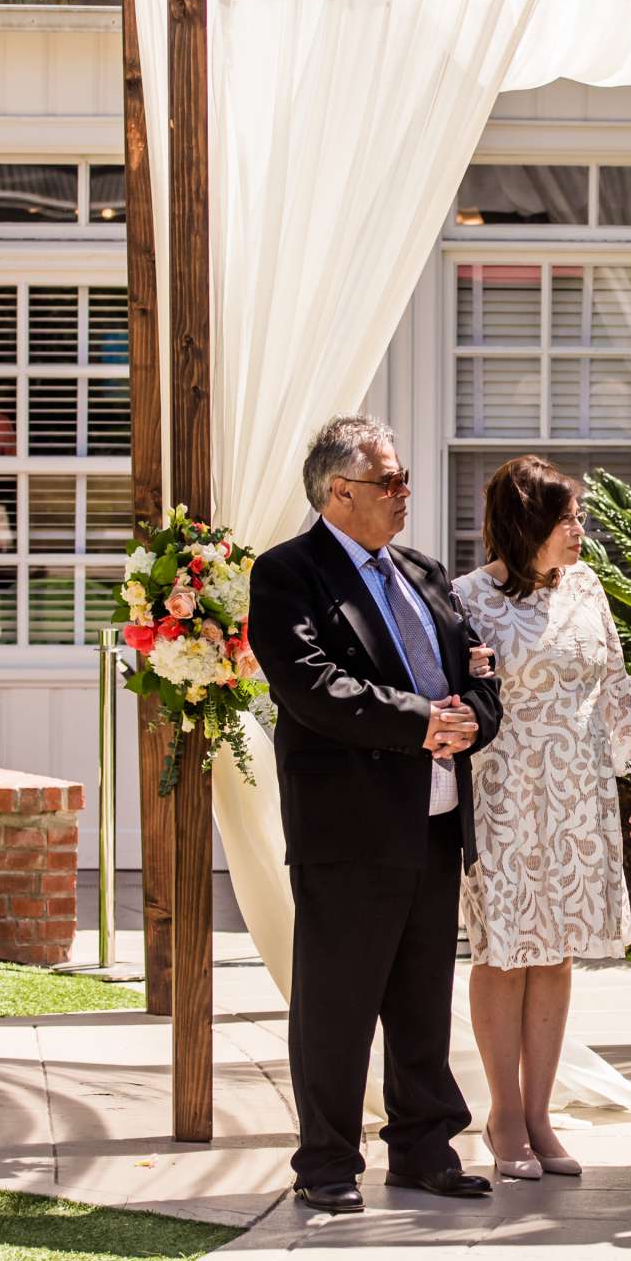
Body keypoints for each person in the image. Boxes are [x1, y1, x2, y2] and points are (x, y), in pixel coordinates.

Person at [245, 414, 502, 1215]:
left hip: (433, 818)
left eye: (402, 478)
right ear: (339, 490)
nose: (404, 493)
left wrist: (471, 718)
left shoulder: (423, 573)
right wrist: (419, 720)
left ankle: (425, 1149)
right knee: (338, 1003)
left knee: (422, 998)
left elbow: (475, 671)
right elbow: (308, 682)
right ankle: (325, 1162)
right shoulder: (289, 573)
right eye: (388, 481)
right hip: (350, 827)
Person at [452, 456, 631, 1181]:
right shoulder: (466, 602)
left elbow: (613, 683)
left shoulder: (586, 587)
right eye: (566, 518)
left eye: (578, 516)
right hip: (504, 801)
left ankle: (541, 1114)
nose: (579, 531)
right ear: (526, 526)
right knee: (504, 951)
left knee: (554, 953)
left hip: (578, 798)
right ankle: (503, 1115)